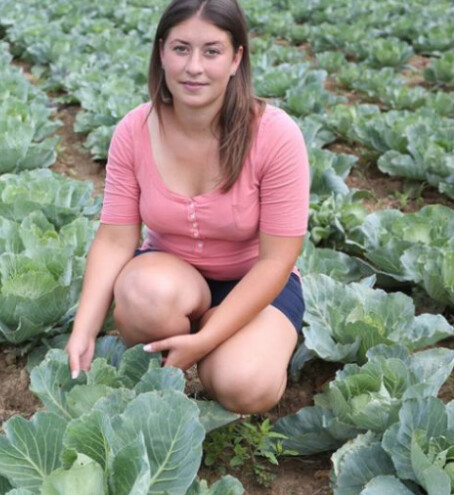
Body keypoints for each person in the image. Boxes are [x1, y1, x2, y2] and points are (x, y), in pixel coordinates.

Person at [65, 0, 309, 414]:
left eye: (212, 51)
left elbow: (277, 260)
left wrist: (206, 339)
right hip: (170, 279)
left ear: (236, 59)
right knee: (143, 294)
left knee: (245, 386)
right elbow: (114, 240)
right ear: (161, 53)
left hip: (254, 282)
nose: (194, 67)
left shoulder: (275, 135)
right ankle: (178, 348)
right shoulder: (134, 130)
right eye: (181, 49)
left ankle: (228, 340)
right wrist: (84, 329)